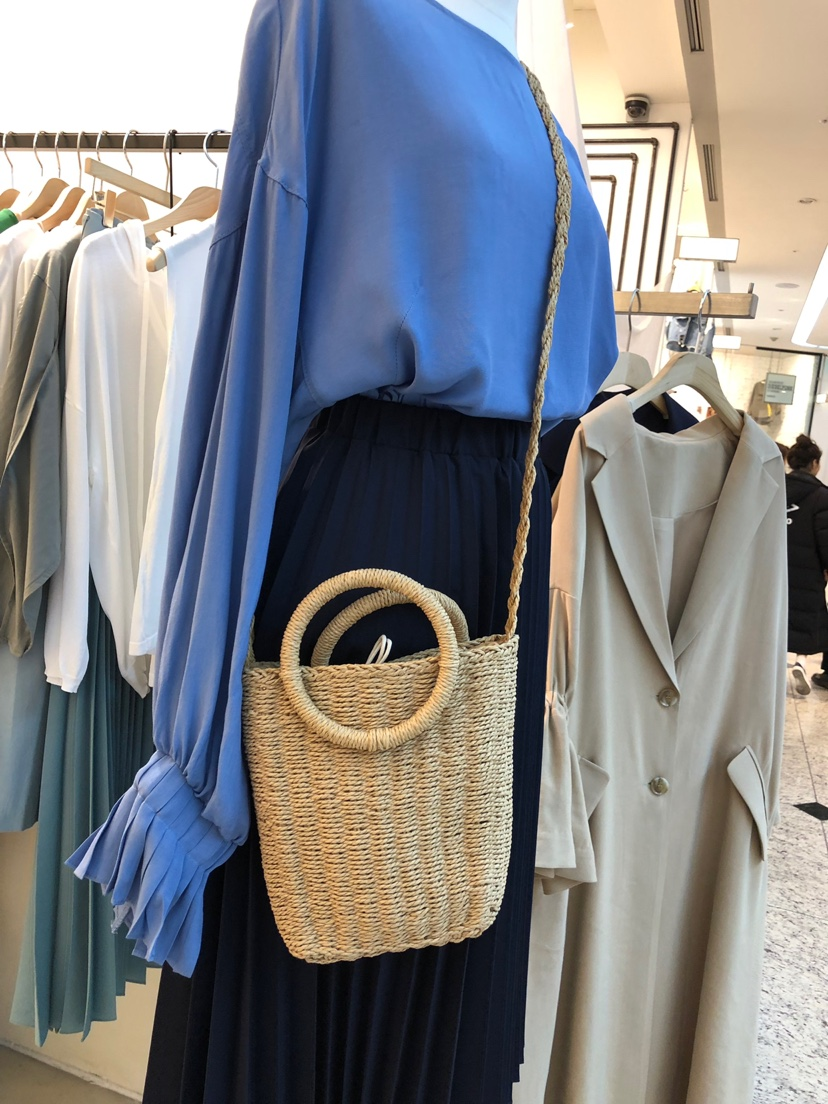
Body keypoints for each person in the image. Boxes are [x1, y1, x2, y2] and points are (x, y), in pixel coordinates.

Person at [785, 434, 828, 692]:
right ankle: (800, 661)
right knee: (805, 617)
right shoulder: (821, 496)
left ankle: (771, 663)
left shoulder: (774, 487)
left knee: (777, 613)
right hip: (808, 570)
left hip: (773, 567)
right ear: (814, 464)